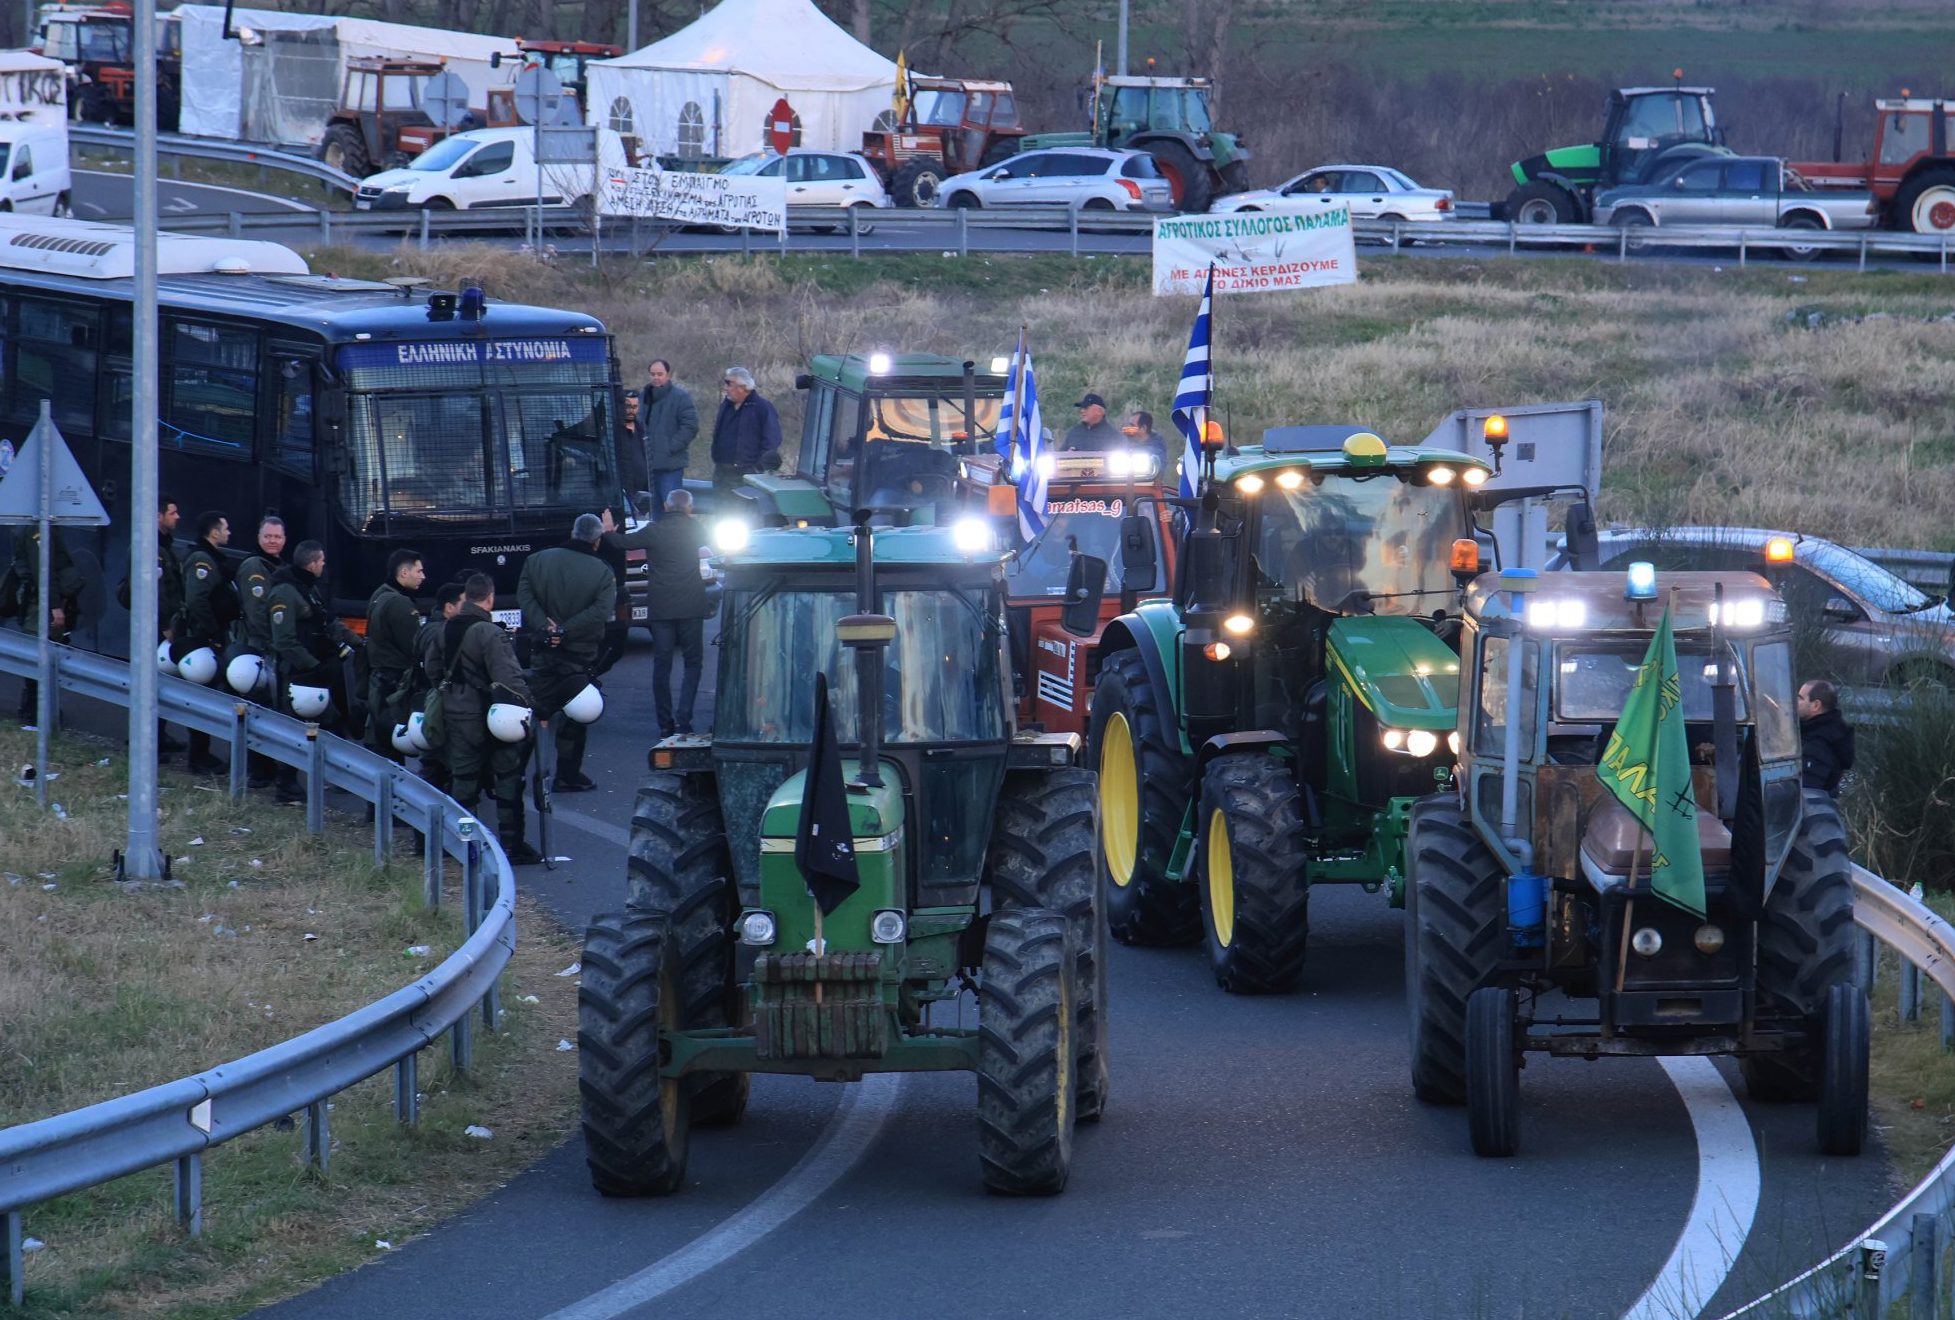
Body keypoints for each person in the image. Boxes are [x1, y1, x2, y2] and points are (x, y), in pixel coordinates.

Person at [443, 573, 541, 864]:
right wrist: (531, 705)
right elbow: (509, 678)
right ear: (490, 598)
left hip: (456, 712)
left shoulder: (445, 628)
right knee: (508, 777)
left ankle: (463, 844)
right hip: (489, 713)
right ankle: (512, 844)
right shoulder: (489, 633)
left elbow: (434, 670)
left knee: (464, 781)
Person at [517, 513, 616, 793]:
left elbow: (525, 596)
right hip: (579, 656)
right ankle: (567, 773)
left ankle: (514, 773)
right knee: (575, 716)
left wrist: (545, 627)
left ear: (573, 532)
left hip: (543, 651)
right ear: (597, 540)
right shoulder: (602, 571)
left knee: (532, 711)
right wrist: (565, 630)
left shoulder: (536, 561)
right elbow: (600, 612)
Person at [268, 540, 356, 800]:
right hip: (299, 673)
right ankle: (285, 783)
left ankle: (342, 774)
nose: (324, 566)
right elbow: (285, 641)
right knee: (294, 727)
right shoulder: (285, 593)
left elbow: (326, 621)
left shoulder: (308, 589)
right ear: (313, 564)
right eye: (322, 561)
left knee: (332, 720)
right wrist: (312, 665)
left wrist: (356, 642)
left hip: (317, 669)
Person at [642, 488, 713, 737]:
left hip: (662, 609)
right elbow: (718, 548)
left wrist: (608, 531)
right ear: (689, 508)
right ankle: (684, 719)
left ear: (666, 505)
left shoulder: (654, 530)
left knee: (662, 665)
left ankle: (665, 723)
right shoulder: (696, 529)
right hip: (691, 607)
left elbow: (621, 542)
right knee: (693, 663)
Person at [1, 525, 84, 726]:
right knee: (39, 657)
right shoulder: (35, 529)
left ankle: (38, 712)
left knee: (43, 654)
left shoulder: (40, 527)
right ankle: (34, 715)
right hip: (39, 605)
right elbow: (42, 570)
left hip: (40, 603)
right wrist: (54, 605)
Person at [178, 511, 240, 775]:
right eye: (225, 529)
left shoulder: (212, 559)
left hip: (210, 635)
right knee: (201, 694)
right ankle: (198, 755)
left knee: (209, 693)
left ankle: (202, 753)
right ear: (214, 533)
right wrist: (213, 630)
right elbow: (196, 600)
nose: (229, 533)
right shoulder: (202, 560)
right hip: (202, 638)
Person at [233, 515, 287, 786]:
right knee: (258, 707)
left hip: (269, 647)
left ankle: (267, 768)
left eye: (277, 537)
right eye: (268, 536)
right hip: (258, 647)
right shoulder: (255, 566)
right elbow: (257, 614)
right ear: (259, 538)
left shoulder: (276, 566)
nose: (272, 541)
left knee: (270, 708)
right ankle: (259, 771)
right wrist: (274, 642)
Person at [365, 548, 426, 764]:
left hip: (378, 682)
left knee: (379, 740)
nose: (423, 576)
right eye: (419, 571)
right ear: (404, 573)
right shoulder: (400, 604)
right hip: (393, 685)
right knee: (390, 745)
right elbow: (415, 646)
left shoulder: (379, 595)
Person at [409, 580, 466, 795]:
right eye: (464, 603)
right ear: (449, 607)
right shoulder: (441, 632)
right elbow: (435, 671)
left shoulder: (427, 628)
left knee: (431, 764)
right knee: (439, 766)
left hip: (427, 703)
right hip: (438, 706)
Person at [710, 366, 782, 493]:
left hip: (746, 474)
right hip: (721, 473)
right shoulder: (726, 406)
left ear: (743, 387)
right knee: (718, 505)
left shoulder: (762, 408)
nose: (726, 388)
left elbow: (772, 440)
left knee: (740, 506)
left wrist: (757, 468)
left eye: (729, 384)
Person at [644, 358, 700, 519]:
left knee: (674, 512)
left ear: (668, 375)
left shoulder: (680, 397)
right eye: (653, 374)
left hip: (671, 466)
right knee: (654, 514)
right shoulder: (643, 396)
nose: (656, 377)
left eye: (659, 374)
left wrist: (670, 447)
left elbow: (690, 426)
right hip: (648, 467)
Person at [1798, 679, 1855, 796]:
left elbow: (1806, 793)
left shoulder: (1818, 745)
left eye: (1800, 698)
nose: (1795, 702)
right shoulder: (1829, 734)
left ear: (1816, 705)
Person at [1122, 409, 1168, 474]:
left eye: (1132, 426)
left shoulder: (1157, 449)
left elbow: (1159, 469)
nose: (1128, 428)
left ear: (1143, 428)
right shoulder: (1126, 441)